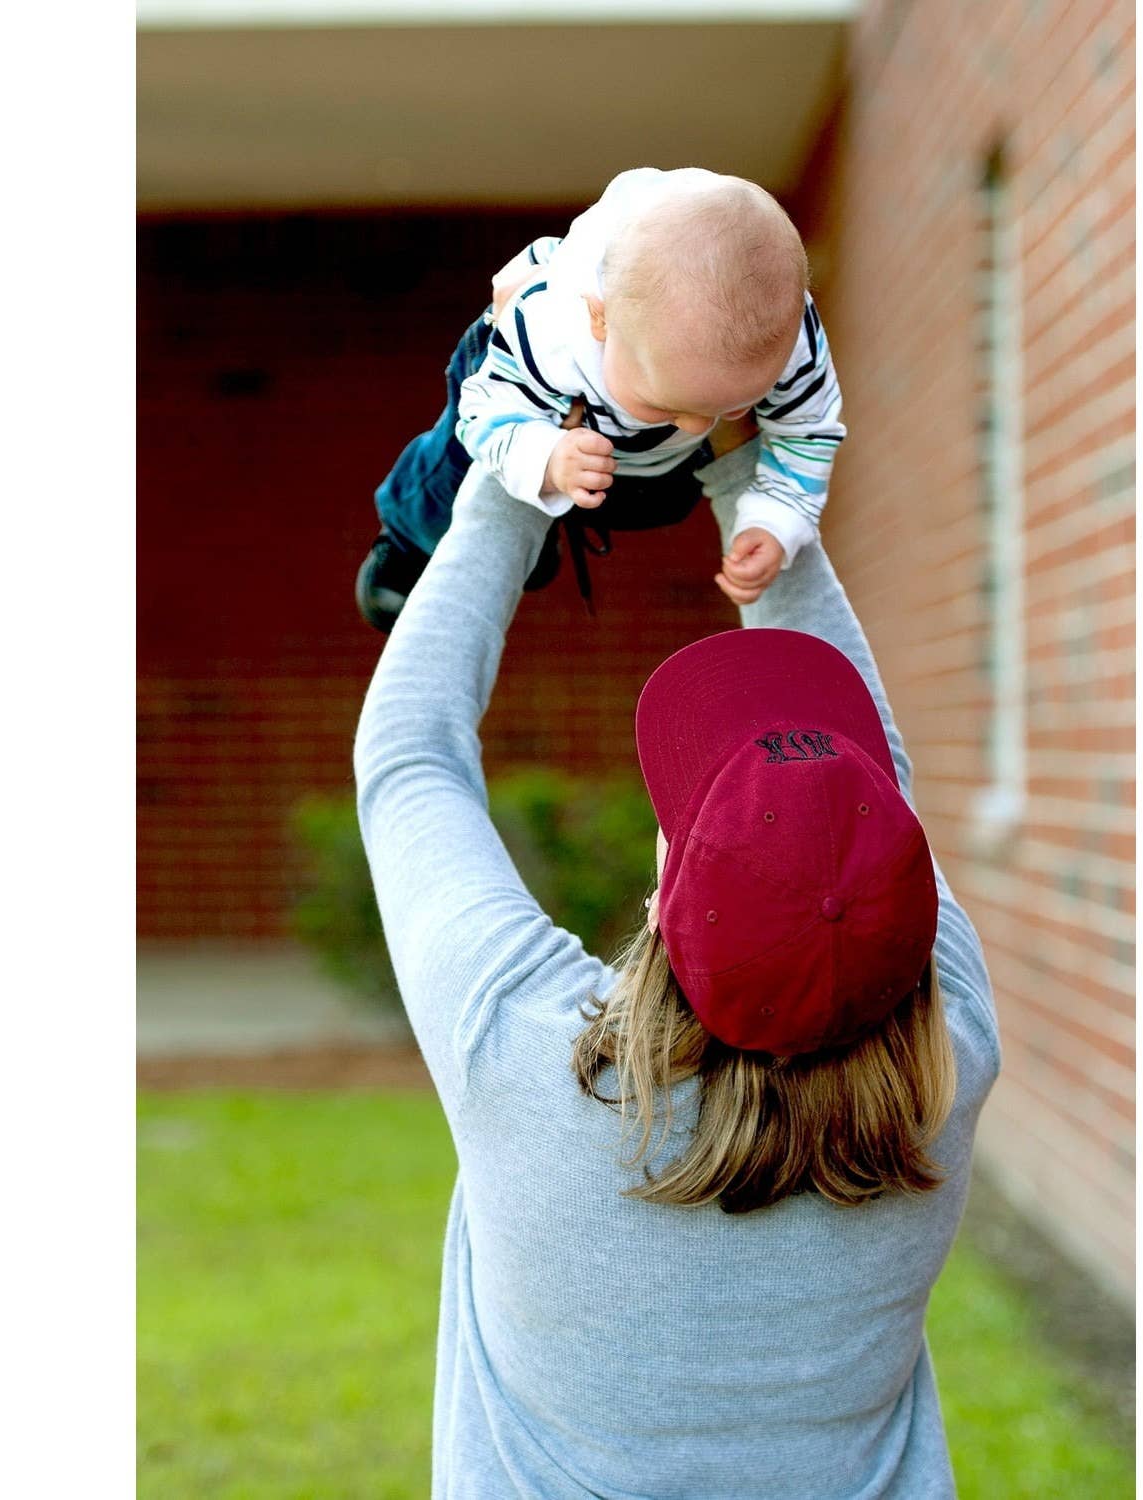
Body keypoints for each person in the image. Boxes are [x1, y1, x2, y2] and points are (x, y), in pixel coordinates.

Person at [354, 419, 1001, 1497]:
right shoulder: (950, 1071)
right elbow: (874, 785)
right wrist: (759, 478)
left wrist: (529, 447)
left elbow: (411, 753)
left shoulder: (522, 1058)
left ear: (667, 894)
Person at [355, 167, 846, 630]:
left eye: (732, 407)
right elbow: (483, 414)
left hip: (640, 451)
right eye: (667, 404)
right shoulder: (547, 331)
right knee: (458, 474)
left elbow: (809, 428)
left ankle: (555, 517)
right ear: (601, 320)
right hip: (522, 390)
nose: (700, 427)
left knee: (662, 502)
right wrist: (543, 457)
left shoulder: (784, 343)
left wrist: (779, 518)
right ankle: (405, 544)